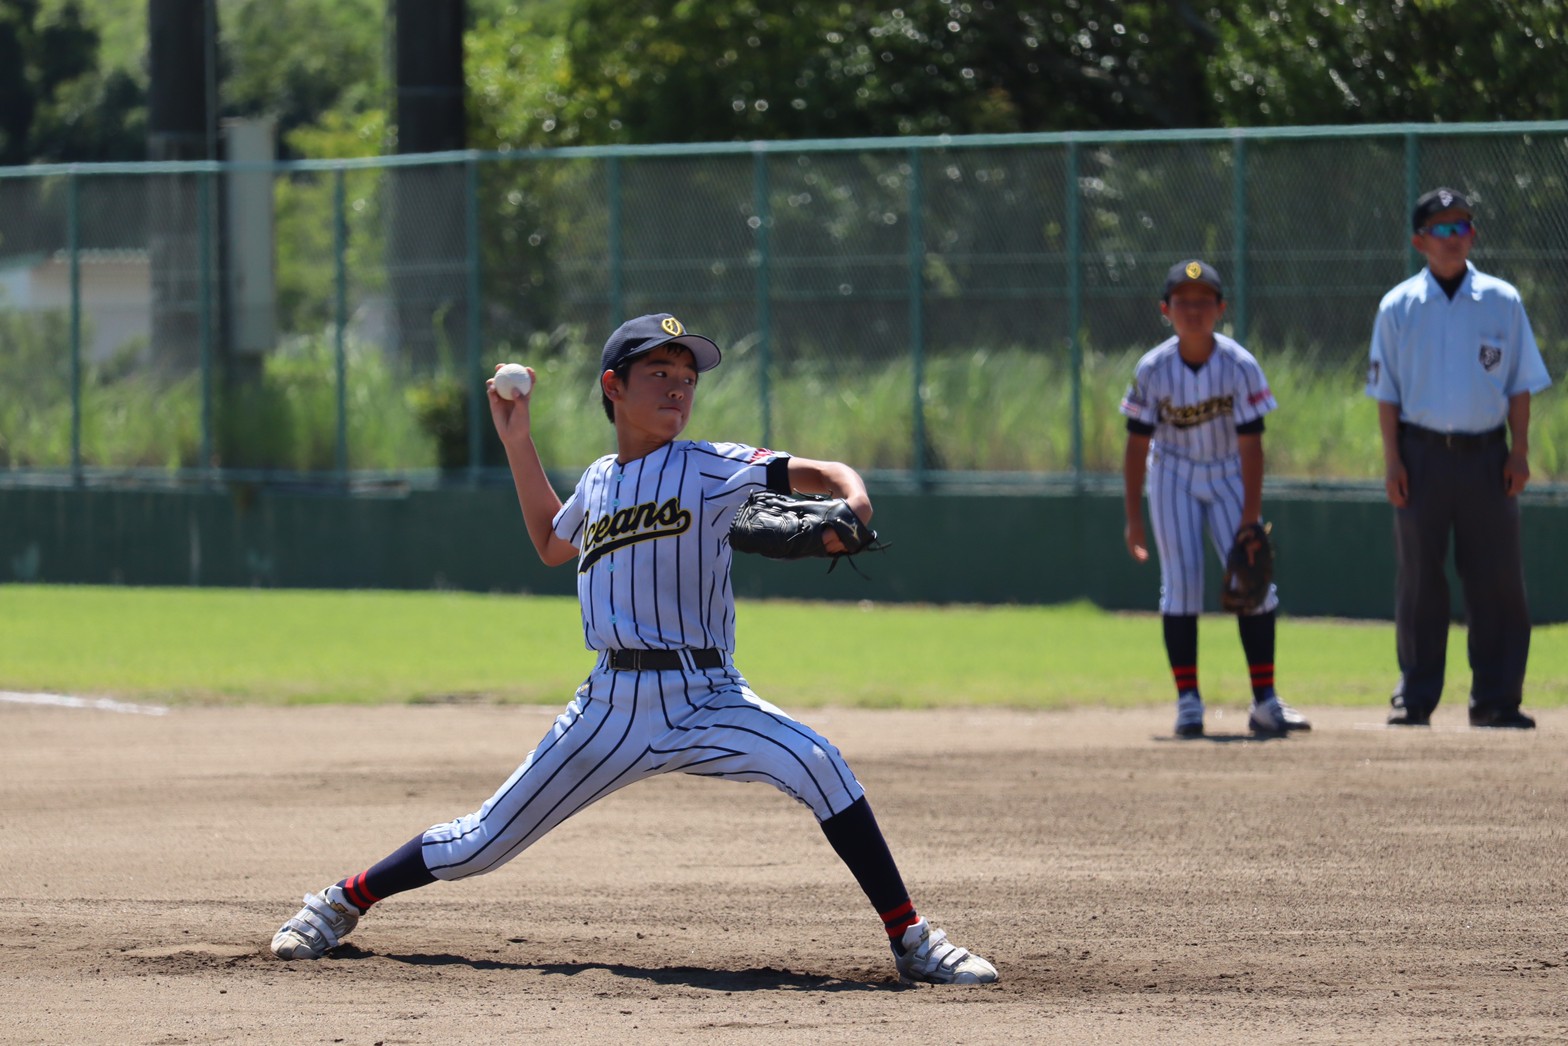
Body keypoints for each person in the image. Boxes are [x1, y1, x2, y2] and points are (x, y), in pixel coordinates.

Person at [268, 312, 998, 986]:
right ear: (613, 387)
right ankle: (341, 900)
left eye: (688, 378)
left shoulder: (710, 464)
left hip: (707, 696)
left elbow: (826, 474)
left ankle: (911, 939)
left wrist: (855, 504)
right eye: (660, 373)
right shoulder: (598, 479)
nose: (679, 388)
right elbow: (551, 542)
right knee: (478, 844)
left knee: (818, 761)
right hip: (608, 707)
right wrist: (518, 442)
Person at [1366, 188, 1553, 729]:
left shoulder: (1502, 299)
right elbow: (1386, 393)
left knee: (1496, 580)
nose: (1454, 238)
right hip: (1421, 454)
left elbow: (1519, 384)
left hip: (1486, 455)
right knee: (1420, 580)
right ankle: (1416, 694)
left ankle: (1497, 697)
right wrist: (1393, 461)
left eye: (1463, 227)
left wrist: (1520, 451)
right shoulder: (1398, 306)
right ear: (1419, 241)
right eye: (1443, 229)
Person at [1120, 260, 1311, 739]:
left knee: (1254, 584)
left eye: (1204, 301)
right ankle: (1188, 701)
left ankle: (1265, 701)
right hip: (1173, 474)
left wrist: (1250, 517)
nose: (1193, 310)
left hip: (1229, 473)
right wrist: (1133, 517)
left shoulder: (1240, 366)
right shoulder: (1153, 368)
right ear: (1165, 310)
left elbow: (1252, 445)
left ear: (1221, 308)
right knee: (1181, 584)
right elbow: (1137, 445)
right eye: (1182, 301)